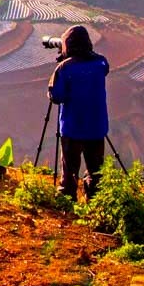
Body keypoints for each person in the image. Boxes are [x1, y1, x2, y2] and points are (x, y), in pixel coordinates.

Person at [47, 24, 109, 199]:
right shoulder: (101, 62)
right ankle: (95, 203)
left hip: (72, 128)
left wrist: (64, 61)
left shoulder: (65, 68)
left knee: (70, 171)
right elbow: (102, 69)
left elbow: (56, 96)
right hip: (97, 127)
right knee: (96, 170)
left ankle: (68, 201)